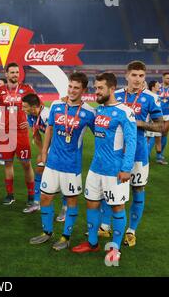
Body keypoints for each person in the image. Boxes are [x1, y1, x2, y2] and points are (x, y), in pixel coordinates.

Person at [72, 72, 137, 265]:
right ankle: (92, 243)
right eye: (95, 88)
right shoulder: (99, 111)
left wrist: (126, 168)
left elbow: (131, 141)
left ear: (111, 88)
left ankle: (115, 248)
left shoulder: (125, 112)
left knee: (117, 207)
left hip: (115, 171)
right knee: (91, 204)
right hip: (95, 169)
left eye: (100, 88)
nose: (96, 91)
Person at [28, 73, 95, 250]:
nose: (72, 91)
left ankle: (66, 237)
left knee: (71, 200)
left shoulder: (89, 112)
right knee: (45, 197)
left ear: (84, 90)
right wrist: (44, 152)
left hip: (72, 166)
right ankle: (47, 232)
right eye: (70, 87)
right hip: (53, 162)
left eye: (76, 88)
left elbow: (101, 134)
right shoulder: (57, 105)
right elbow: (49, 128)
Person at [111, 61, 163, 247]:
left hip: (139, 154)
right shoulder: (115, 95)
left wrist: (139, 124)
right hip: (115, 153)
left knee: (137, 189)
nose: (138, 79)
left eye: (141, 76)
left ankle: (131, 231)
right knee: (111, 189)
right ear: (126, 76)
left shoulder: (150, 98)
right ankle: (105, 225)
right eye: (134, 75)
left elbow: (161, 126)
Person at [0, 62, 37, 209]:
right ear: (6, 74)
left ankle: (31, 196)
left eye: (17, 72)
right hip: (5, 134)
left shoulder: (27, 89)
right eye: (12, 72)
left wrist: (31, 122)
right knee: (8, 164)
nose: (15, 74)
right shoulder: (0, 90)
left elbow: (37, 106)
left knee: (26, 165)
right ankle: (10, 195)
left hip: (21, 133)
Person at [20, 92, 50, 213]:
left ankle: (65, 209)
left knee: (61, 178)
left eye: (25, 107)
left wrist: (47, 153)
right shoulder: (31, 116)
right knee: (39, 169)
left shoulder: (46, 115)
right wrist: (42, 152)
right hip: (50, 146)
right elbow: (36, 136)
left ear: (33, 107)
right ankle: (36, 203)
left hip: (61, 147)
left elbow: (53, 134)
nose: (22, 109)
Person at [146, 81, 163, 162]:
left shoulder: (153, 96)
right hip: (152, 122)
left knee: (157, 138)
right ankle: (146, 157)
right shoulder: (153, 97)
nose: (159, 86)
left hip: (153, 121)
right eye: (157, 85)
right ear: (153, 87)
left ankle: (158, 157)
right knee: (149, 138)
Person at [158, 72, 169, 164]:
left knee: (164, 133)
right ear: (163, 78)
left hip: (168, 113)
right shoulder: (157, 87)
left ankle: (160, 155)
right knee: (155, 134)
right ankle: (147, 153)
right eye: (167, 78)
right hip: (158, 113)